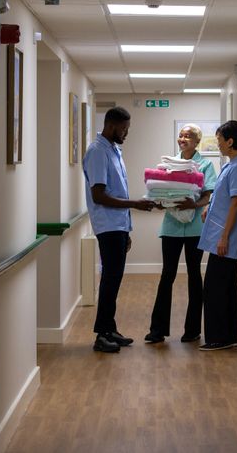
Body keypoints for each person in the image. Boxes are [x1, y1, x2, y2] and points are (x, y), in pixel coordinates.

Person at [83, 106, 155, 353]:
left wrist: (128, 229)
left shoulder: (114, 150)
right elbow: (99, 195)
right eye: (124, 129)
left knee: (114, 281)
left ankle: (109, 328)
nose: (126, 134)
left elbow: (118, 190)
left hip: (118, 226)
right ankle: (101, 335)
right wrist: (135, 204)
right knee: (109, 281)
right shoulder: (97, 152)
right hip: (107, 226)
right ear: (112, 126)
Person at [144, 124, 218, 344]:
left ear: (197, 142)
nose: (183, 139)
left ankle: (193, 330)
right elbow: (161, 189)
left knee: (195, 276)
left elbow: (209, 195)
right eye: (181, 135)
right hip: (171, 227)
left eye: (188, 136)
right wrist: (160, 201)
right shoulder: (169, 164)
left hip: (195, 228)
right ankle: (157, 330)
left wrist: (194, 204)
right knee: (167, 275)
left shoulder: (205, 165)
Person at [197, 120, 237, 351]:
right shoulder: (232, 165)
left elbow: (236, 202)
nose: (218, 145)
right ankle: (228, 336)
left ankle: (219, 337)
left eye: (219, 141)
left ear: (230, 141)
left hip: (225, 240)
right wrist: (209, 207)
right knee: (226, 287)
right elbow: (226, 197)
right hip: (222, 237)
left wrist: (224, 237)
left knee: (215, 289)